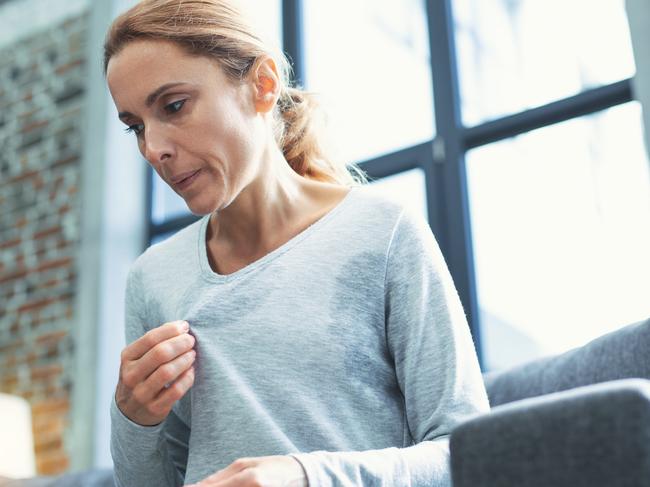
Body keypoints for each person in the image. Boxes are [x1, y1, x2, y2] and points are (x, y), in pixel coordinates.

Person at [104, 1, 490, 486]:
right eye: (136, 127)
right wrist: (133, 418)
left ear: (262, 85)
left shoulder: (384, 231)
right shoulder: (152, 278)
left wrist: (306, 476)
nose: (154, 148)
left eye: (174, 106)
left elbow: (468, 454)